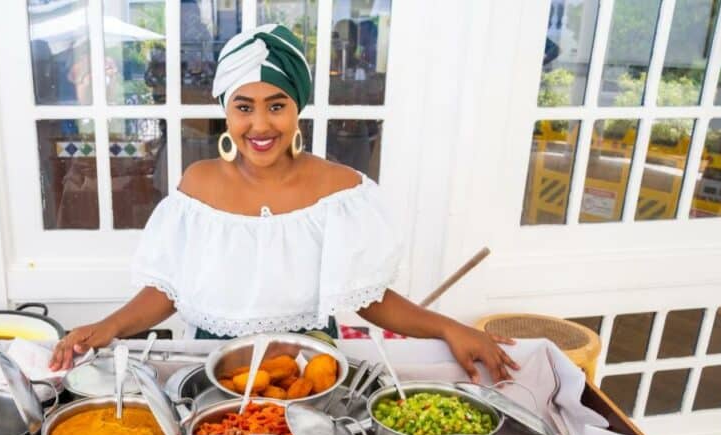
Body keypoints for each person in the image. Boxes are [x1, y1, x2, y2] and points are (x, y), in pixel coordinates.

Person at [50, 24, 518, 382]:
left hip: (311, 374)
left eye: (276, 106)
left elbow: (371, 299)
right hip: (213, 370)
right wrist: (108, 326)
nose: (259, 125)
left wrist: (447, 328)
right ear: (225, 111)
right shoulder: (198, 185)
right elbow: (168, 289)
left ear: (298, 109)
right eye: (243, 106)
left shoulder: (341, 192)